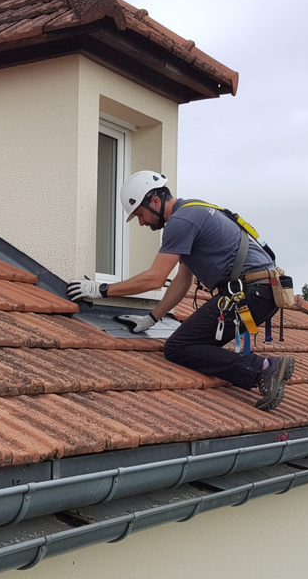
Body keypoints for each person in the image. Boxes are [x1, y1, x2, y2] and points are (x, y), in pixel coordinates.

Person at [66, 171, 294, 411]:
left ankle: (264, 368)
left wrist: (101, 289)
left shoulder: (181, 222)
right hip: (261, 292)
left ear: (154, 201)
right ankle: (265, 368)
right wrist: (152, 318)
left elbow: (155, 278)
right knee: (196, 344)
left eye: (141, 215)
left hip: (250, 292)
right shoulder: (193, 213)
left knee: (178, 347)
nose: (142, 223)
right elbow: (182, 281)